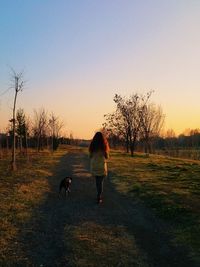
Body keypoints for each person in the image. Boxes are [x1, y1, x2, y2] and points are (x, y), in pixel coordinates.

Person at [89, 131, 109, 204]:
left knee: (98, 182)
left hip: (95, 167)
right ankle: (99, 196)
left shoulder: (92, 147)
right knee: (100, 182)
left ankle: (98, 194)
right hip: (101, 167)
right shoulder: (103, 147)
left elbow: (90, 156)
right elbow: (107, 157)